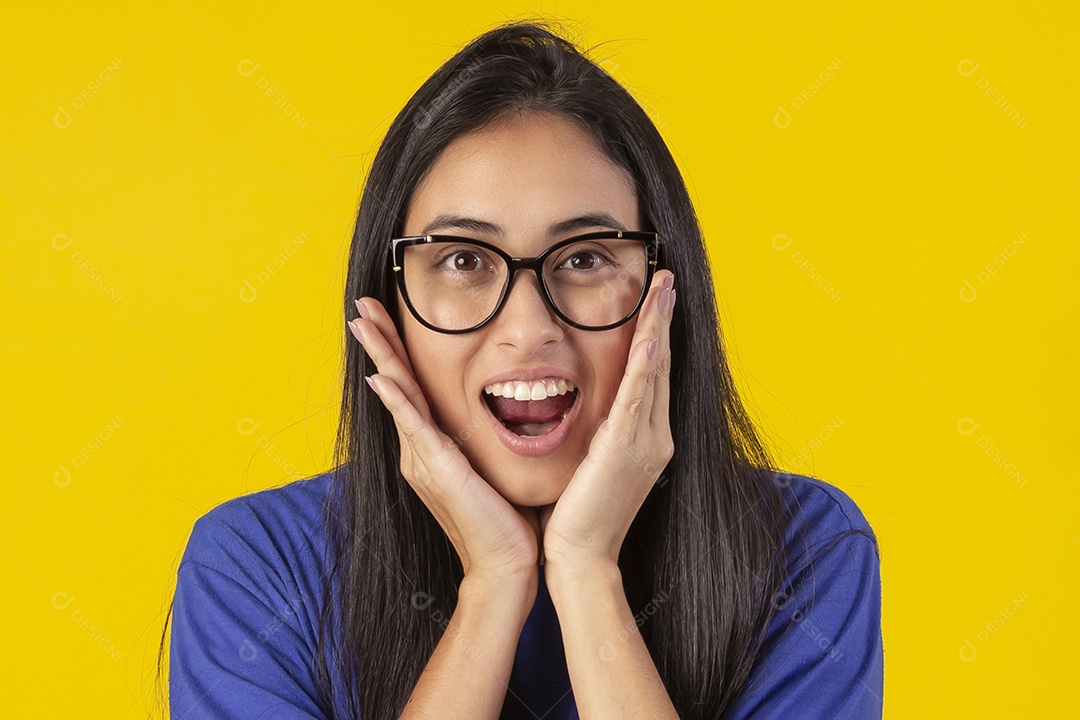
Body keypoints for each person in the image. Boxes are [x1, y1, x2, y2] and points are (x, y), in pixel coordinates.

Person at [163, 19, 883, 720]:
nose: (530, 327)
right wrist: (494, 583)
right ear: (386, 308)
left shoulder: (806, 553)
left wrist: (585, 572)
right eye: (464, 261)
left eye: (585, 259)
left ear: (666, 289)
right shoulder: (254, 569)